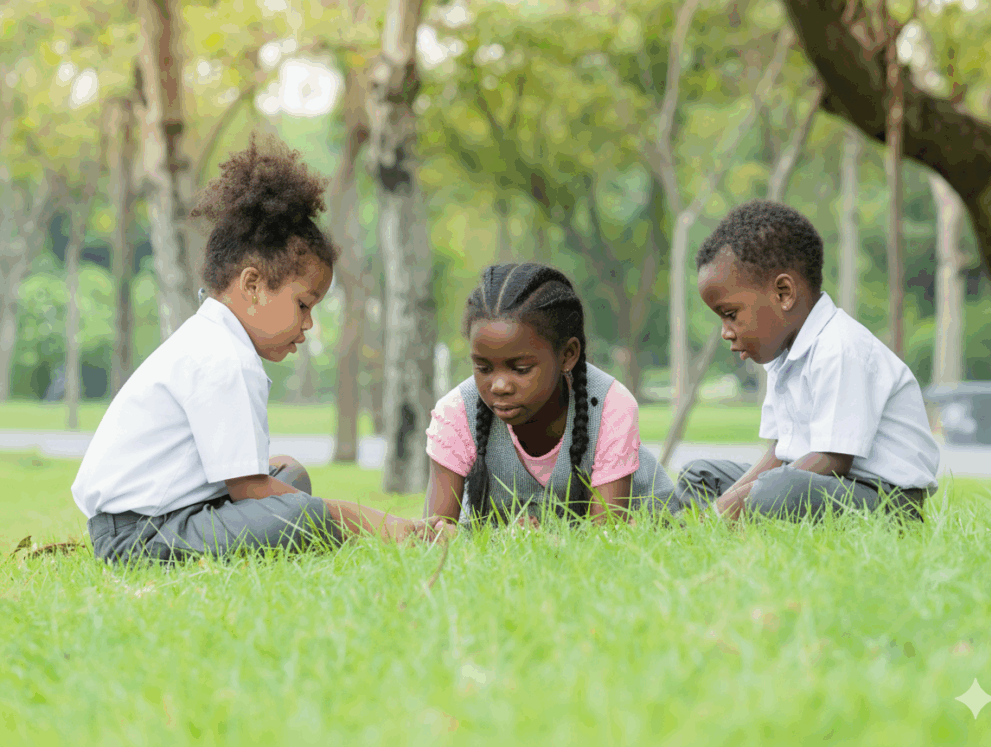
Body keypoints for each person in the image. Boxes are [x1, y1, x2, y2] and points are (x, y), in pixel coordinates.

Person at [72, 134, 444, 563]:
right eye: (303, 305)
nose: (308, 325)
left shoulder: (214, 339)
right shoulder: (223, 357)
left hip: (160, 517)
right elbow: (249, 490)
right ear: (252, 285)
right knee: (305, 516)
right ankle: (355, 532)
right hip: (141, 535)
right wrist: (382, 524)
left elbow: (250, 480)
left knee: (290, 473)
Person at [679, 199, 939, 522]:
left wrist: (727, 509)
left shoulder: (840, 347)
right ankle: (701, 526)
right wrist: (723, 505)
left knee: (774, 490)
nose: (725, 332)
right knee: (700, 475)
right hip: (817, 483)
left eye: (731, 315)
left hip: (884, 500)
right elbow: (780, 452)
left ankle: (730, 523)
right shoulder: (783, 357)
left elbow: (832, 459)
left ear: (784, 293)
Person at [423, 262, 681, 526]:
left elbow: (607, 534)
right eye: (483, 368)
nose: (499, 385)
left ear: (568, 355)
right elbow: (436, 533)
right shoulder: (457, 412)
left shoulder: (609, 405)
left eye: (521, 369)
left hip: (652, 524)